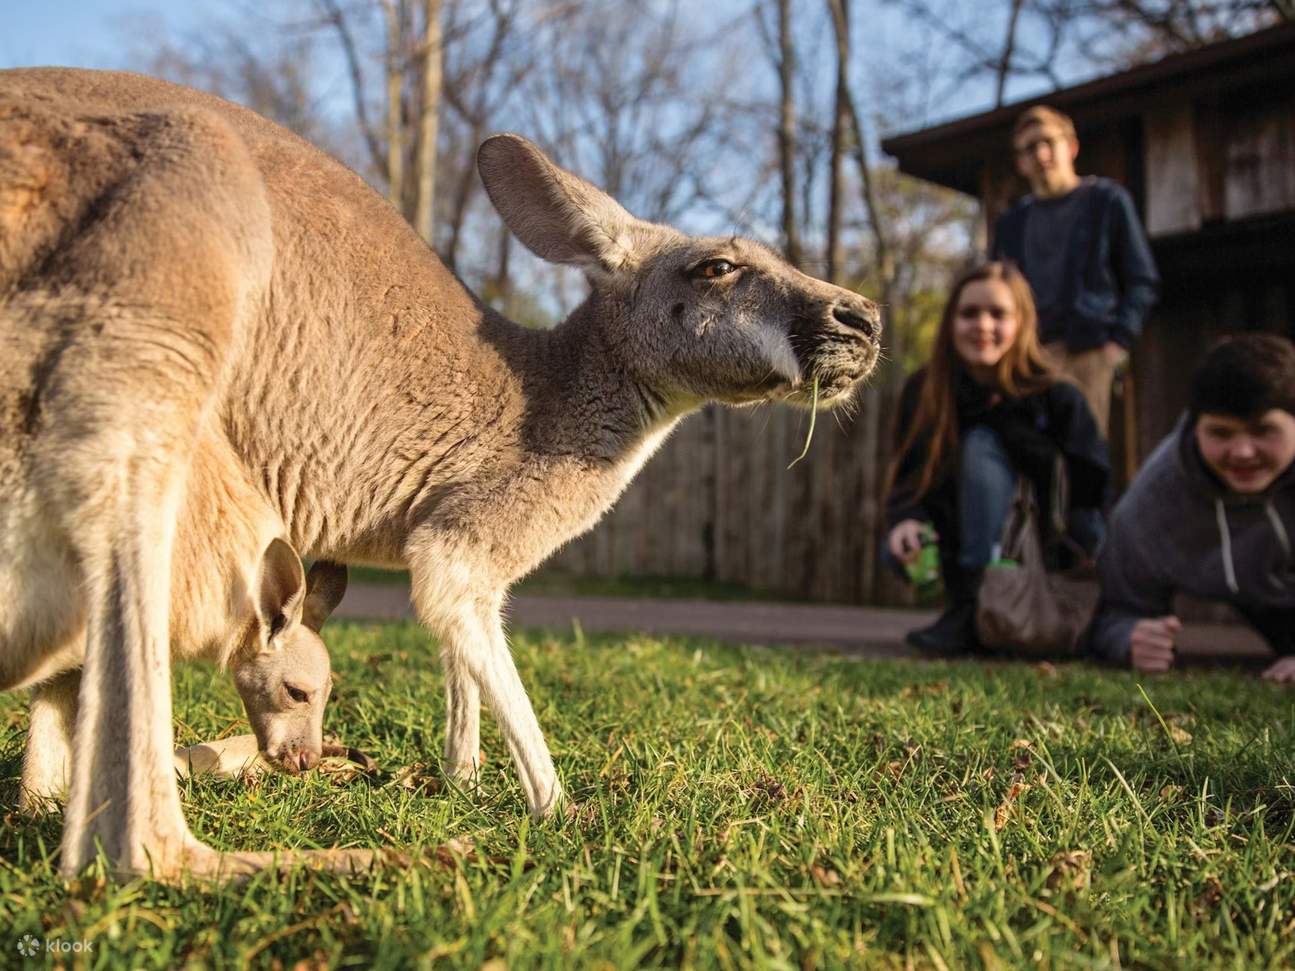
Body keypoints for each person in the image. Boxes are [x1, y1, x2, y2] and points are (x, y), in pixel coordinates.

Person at [885, 261, 1110, 654]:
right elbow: (908, 472)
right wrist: (905, 519)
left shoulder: (1057, 396)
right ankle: (966, 606)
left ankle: (982, 607)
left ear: (1021, 322)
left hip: (1039, 541)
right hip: (950, 532)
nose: (982, 325)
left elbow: (1090, 486)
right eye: (969, 313)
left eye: (998, 314)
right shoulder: (925, 391)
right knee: (896, 543)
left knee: (981, 446)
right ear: (950, 322)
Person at [1090, 334, 1295, 682]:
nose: (1242, 451)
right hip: (1262, 597)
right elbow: (1115, 613)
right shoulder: (1151, 503)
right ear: (1194, 426)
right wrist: (1131, 637)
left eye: (1263, 430)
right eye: (1221, 433)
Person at [991, 105, 1159, 433]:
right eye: (1029, 148)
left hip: (1089, 351)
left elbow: (1141, 279)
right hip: (1028, 357)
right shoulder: (1011, 223)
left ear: (1071, 146)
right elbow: (998, 292)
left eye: (1047, 142)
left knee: (1084, 454)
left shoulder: (1106, 201)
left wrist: (1116, 345)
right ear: (1020, 162)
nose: (1040, 154)